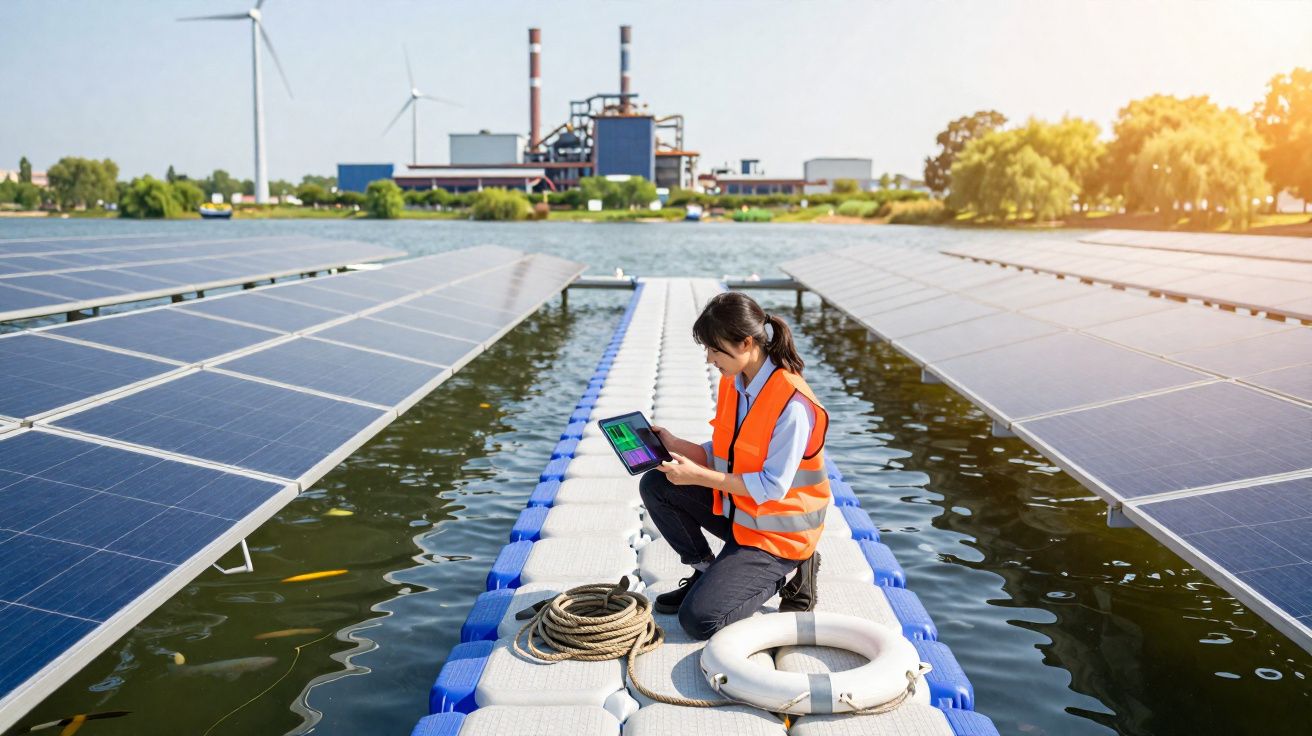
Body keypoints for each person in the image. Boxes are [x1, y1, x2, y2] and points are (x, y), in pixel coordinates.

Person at [641, 291, 830, 641]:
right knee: (657, 484)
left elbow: (772, 486)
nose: (710, 359)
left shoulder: (792, 405)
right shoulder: (735, 381)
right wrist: (676, 445)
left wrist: (697, 477)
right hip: (743, 515)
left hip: (780, 534)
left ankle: (794, 569)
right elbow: (727, 451)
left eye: (715, 349)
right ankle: (706, 571)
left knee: (698, 621)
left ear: (745, 343)